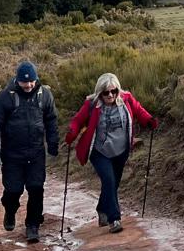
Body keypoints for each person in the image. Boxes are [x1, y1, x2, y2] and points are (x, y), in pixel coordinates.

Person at [64, 72, 157, 234]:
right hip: (99, 151)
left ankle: (102, 208)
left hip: (121, 150)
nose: (110, 95)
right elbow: (78, 120)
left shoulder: (126, 99)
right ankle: (114, 219)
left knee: (113, 184)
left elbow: (139, 110)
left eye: (114, 91)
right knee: (108, 180)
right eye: (106, 92)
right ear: (100, 92)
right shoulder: (92, 104)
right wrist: (72, 131)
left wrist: (149, 120)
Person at [0, 60, 59, 243]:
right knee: (13, 189)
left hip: (36, 152)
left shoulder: (45, 95)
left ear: (36, 79)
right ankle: (10, 210)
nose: (28, 85)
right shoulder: (4, 97)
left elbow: (51, 121)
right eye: (24, 82)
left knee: (36, 188)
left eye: (31, 81)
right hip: (12, 154)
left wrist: (53, 146)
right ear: (17, 80)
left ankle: (33, 225)